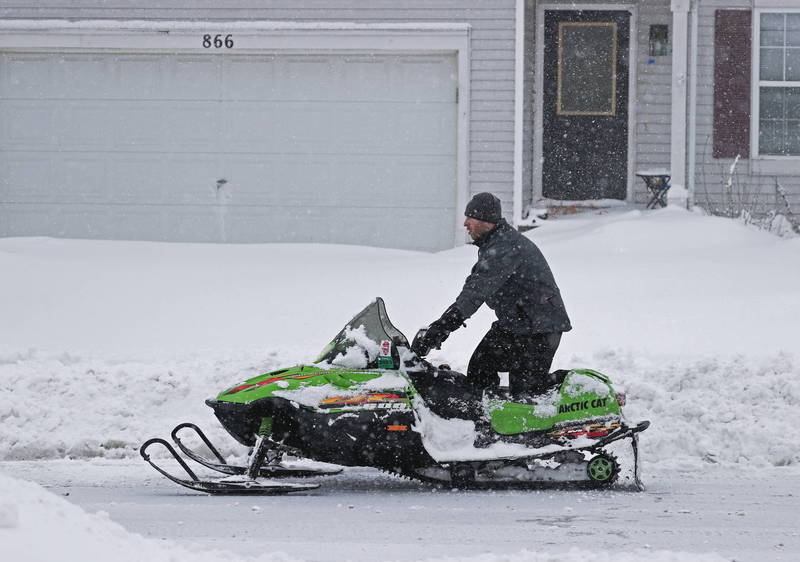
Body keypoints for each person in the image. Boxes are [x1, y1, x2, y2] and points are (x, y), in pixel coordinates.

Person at [411, 192, 571, 397]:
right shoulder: (494, 244)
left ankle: (580, 389)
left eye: (471, 218)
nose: (465, 223)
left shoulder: (505, 247)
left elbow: (475, 293)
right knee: (481, 366)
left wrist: (443, 327)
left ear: (486, 221)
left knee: (526, 393)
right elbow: (475, 287)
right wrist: (443, 325)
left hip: (539, 327)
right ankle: (484, 418)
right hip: (517, 323)